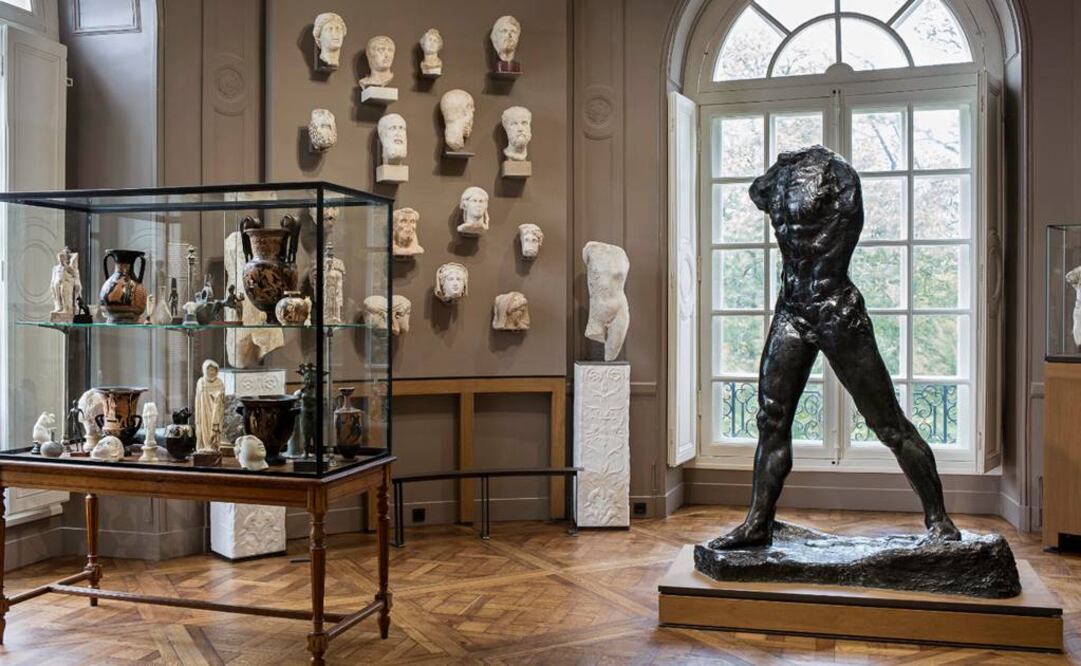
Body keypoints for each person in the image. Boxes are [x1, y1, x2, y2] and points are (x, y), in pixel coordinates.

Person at [709, 146, 960, 549]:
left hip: (834, 307)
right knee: (771, 419)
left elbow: (847, 229)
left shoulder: (839, 174)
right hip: (792, 309)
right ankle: (758, 523)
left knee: (887, 424)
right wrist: (783, 164)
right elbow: (757, 193)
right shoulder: (781, 177)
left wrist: (794, 168)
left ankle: (940, 520)